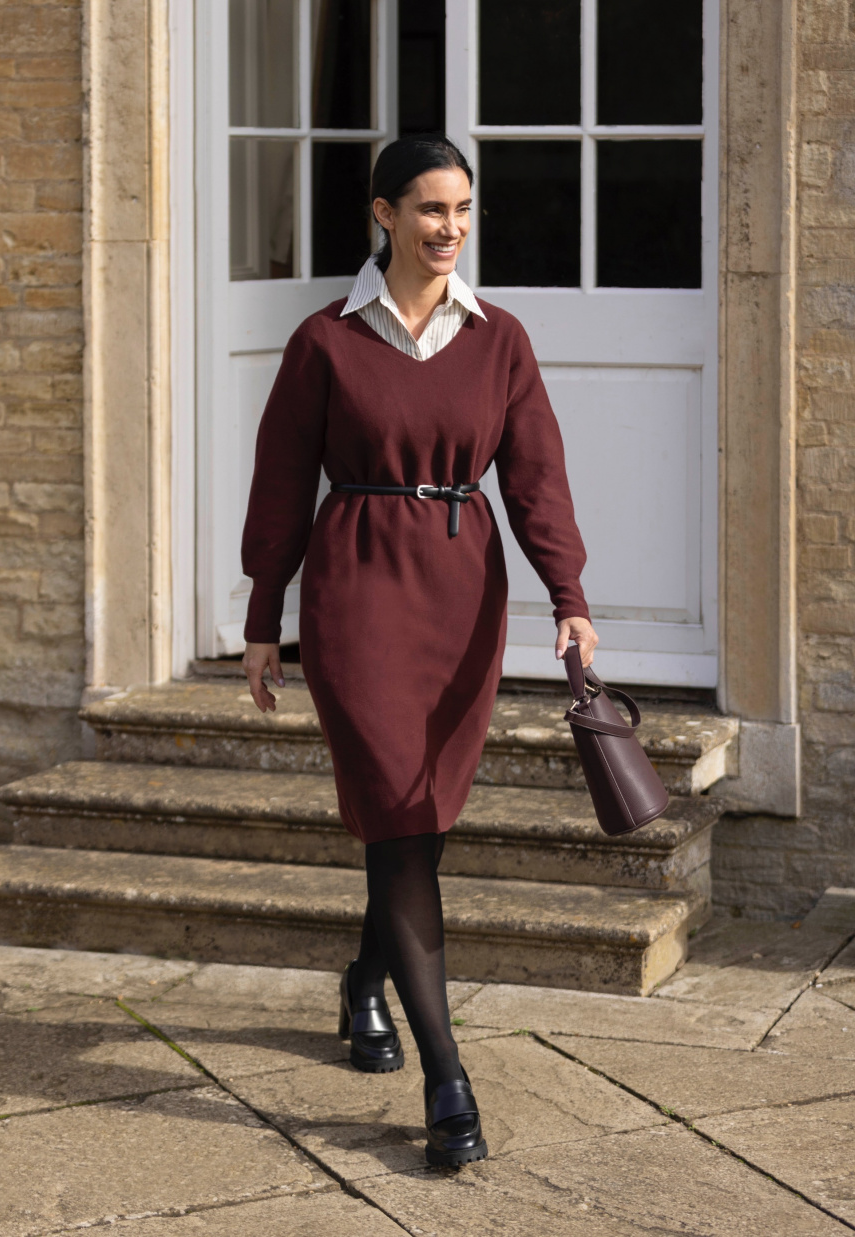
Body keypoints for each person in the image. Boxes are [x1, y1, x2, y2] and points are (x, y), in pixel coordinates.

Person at [241, 133, 597, 1168]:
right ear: (383, 215)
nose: (451, 228)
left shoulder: (501, 339)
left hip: (459, 601)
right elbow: (279, 479)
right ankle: (449, 1081)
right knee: (398, 811)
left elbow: (537, 478)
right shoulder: (324, 341)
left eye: (465, 209)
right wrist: (266, 611)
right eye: (431, 208)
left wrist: (568, 593)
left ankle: (365, 980)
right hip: (356, 595)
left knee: (418, 826)